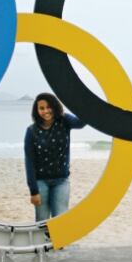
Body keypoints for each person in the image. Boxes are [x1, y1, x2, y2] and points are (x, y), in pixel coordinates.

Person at [24, 93, 85, 221]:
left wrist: (82, 104)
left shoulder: (64, 121)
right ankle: (42, 242)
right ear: (36, 110)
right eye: (41, 108)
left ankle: (58, 242)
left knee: (61, 221)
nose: (45, 111)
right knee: (42, 221)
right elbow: (29, 162)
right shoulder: (31, 131)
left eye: (48, 107)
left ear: (55, 106)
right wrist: (33, 191)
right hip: (40, 182)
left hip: (61, 181)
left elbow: (81, 123)